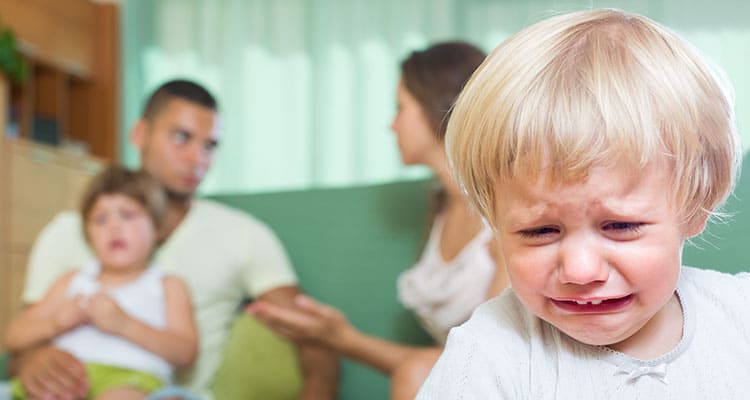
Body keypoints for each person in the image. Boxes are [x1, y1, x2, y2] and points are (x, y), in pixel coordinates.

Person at [416, 9, 749, 399]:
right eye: (540, 231)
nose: (579, 270)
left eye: (620, 226)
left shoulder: (740, 315)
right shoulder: (488, 352)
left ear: (697, 206)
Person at [11, 80, 338, 400]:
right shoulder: (65, 232)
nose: (198, 159)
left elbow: (315, 338)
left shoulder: (243, 235)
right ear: (140, 134)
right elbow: (22, 341)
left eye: (210, 146)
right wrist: (32, 361)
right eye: (182, 138)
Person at [248, 41, 509, 400]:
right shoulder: (440, 208)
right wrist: (337, 338)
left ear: (438, 105)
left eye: (400, 108)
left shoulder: (506, 214)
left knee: (415, 372)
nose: (392, 124)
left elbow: (485, 362)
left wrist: (343, 340)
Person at [5, 166, 197, 399]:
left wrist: (124, 325)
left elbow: (186, 353)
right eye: (101, 219)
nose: (114, 227)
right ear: (88, 235)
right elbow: (13, 335)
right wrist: (56, 323)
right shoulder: (73, 280)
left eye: (127, 215)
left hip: (130, 380)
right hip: (66, 379)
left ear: (157, 227)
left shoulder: (167, 285)